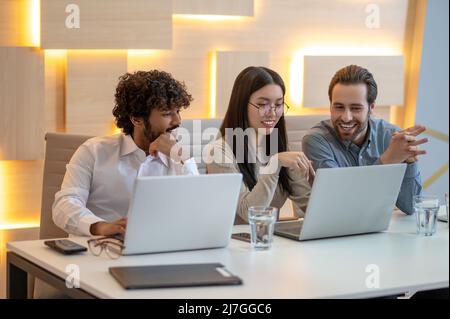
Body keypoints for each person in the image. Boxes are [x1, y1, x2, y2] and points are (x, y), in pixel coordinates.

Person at [53, 70, 198, 236]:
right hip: (100, 250)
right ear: (136, 119)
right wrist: (100, 227)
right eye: (166, 113)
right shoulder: (93, 152)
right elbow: (64, 205)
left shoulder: (178, 157)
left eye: (178, 111)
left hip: (161, 249)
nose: (177, 121)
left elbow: (199, 208)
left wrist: (181, 157)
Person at [302, 65, 428, 215]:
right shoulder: (316, 140)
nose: (346, 117)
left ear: (371, 107)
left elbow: (410, 206)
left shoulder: (391, 136)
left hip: (378, 230)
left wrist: (409, 161)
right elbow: (341, 201)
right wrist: (387, 161)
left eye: (355, 108)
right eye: (339, 107)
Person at [206, 66, 312, 224]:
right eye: (263, 105)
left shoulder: (277, 147)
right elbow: (249, 215)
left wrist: (315, 184)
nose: (272, 112)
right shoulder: (219, 152)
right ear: (242, 105)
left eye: (279, 104)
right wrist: (274, 165)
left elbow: (309, 204)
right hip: (235, 243)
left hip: (272, 243)